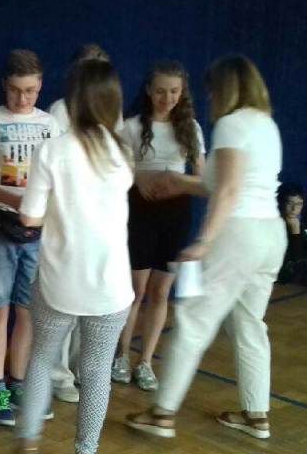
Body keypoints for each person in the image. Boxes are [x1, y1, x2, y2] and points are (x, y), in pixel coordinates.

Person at [126, 54, 285, 440]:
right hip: (271, 234)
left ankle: (162, 414)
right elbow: (225, 183)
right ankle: (256, 415)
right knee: (250, 323)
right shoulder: (265, 124)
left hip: (238, 236)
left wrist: (204, 241)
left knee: (193, 322)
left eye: (213, 90)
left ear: (226, 88)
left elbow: (229, 191)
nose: (210, 97)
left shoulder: (232, 124)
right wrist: (181, 183)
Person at [17, 59, 134, 454]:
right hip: (111, 285)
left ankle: (28, 441)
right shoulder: (122, 151)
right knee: (97, 372)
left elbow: (29, 216)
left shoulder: (54, 150)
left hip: (60, 282)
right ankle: (86, 449)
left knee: (41, 359)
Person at [0, 49, 56, 426]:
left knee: (27, 310)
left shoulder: (51, 124)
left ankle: (18, 381)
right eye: (16, 90)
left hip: (37, 232)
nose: (23, 99)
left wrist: (40, 208)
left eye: (31, 91)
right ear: (4, 85)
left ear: (41, 87)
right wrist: (18, 201)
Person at [112, 61, 205, 392]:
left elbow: (203, 178)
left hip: (176, 214)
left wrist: (177, 182)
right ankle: (122, 356)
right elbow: (116, 172)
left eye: (174, 91)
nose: (168, 98)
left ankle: (146, 361)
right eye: (161, 91)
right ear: (149, 91)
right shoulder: (132, 126)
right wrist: (140, 177)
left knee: (161, 291)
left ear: (183, 92)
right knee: (134, 290)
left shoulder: (191, 128)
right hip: (140, 210)